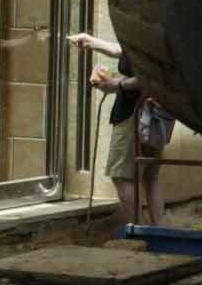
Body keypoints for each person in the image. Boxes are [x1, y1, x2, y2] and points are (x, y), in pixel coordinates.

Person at [70, 32, 175, 226]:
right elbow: (125, 52)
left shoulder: (147, 27)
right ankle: (160, 231)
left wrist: (117, 84)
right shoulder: (155, 27)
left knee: (122, 176)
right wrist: (92, 42)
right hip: (153, 113)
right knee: (150, 176)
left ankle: (141, 233)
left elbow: (151, 77)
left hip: (134, 114)